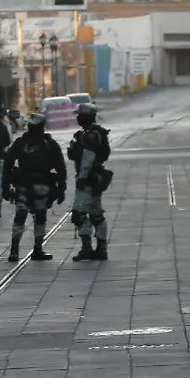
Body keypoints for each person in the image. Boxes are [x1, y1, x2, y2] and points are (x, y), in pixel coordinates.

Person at [2, 113, 67, 262]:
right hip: (25, 185)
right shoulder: (22, 143)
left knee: (37, 216)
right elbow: (8, 164)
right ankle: (17, 249)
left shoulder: (48, 144)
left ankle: (33, 249)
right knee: (25, 215)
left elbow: (60, 167)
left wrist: (61, 188)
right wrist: (5, 186)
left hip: (40, 186)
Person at [67, 103, 112, 261]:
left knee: (78, 214)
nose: (77, 117)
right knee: (96, 214)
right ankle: (101, 249)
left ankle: (87, 248)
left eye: (79, 115)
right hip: (96, 179)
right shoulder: (90, 133)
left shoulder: (90, 136)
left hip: (88, 179)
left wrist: (82, 178)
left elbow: (88, 159)